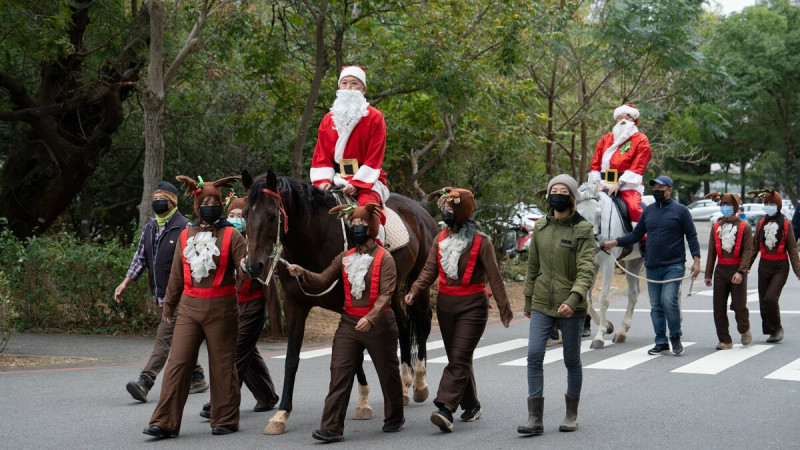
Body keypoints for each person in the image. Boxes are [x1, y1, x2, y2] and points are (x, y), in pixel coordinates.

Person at [286, 203, 404, 443]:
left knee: (388, 373)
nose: (356, 228)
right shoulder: (345, 257)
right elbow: (321, 280)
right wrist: (302, 273)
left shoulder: (385, 258)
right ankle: (331, 428)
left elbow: (386, 295)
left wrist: (370, 319)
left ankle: (395, 417)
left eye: (362, 224)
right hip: (349, 323)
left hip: (379, 324)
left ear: (371, 227)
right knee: (339, 373)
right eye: (353, 224)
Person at [143, 175, 246, 438]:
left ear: (220, 204)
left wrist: (251, 265)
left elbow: (245, 272)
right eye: (205, 201)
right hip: (188, 308)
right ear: (197, 206)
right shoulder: (185, 235)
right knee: (178, 363)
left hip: (222, 308)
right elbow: (177, 275)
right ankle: (164, 421)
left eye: (214, 201)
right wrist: (169, 306)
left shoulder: (232, 235)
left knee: (222, 365)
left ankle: (224, 417)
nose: (210, 205)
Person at [404, 187, 513, 433]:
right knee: (459, 358)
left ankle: (445, 408)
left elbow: (495, 278)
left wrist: (505, 311)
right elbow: (430, 269)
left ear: (463, 211)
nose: (445, 213)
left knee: (460, 357)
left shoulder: (481, 241)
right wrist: (414, 290)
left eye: (451, 209)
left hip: (473, 306)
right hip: (445, 306)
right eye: (444, 208)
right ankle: (472, 405)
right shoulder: (440, 239)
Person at [115, 181, 208, 401]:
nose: (157, 202)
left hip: (180, 296)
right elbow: (140, 258)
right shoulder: (149, 226)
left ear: (173, 201)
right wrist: (125, 283)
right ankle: (197, 377)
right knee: (177, 338)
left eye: (161, 199)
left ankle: (145, 381)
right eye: (154, 199)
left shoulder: (184, 226)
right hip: (159, 294)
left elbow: (195, 263)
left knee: (164, 337)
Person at [517, 174, 594, 436]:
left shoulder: (583, 229)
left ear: (572, 198)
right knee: (534, 355)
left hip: (571, 304)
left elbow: (586, 270)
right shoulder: (540, 227)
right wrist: (528, 299)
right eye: (554, 190)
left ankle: (571, 414)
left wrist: (574, 300)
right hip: (541, 301)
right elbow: (533, 267)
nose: (557, 195)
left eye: (563, 191)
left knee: (571, 360)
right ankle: (534, 419)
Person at [600, 175, 701, 355]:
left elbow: (692, 236)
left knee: (668, 301)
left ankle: (675, 336)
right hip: (653, 265)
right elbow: (636, 235)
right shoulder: (649, 211)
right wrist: (615, 242)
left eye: (661, 188)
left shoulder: (681, 211)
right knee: (655, 306)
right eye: (655, 188)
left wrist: (697, 260)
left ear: (669, 189)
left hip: (674, 265)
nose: (657, 191)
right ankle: (661, 340)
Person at [198, 194, 279, 419]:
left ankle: (221, 402)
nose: (235, 219)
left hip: (252, 304)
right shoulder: (222, 238)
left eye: (239, 216)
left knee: (234, 353)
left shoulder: (256, 242)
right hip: (229, 306)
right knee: (248, 354)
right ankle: (267, 395)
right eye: (231, 215)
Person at [309, 65, 388, 243]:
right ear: (339, 88)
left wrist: (357, 183)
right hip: (335, 178)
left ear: (363, 89)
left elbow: (375, 157)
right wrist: (323, 181)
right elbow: (321, 155)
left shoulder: (375, 117)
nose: (348, 88)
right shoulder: (328, 119)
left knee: (366, 212)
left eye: (354, 83)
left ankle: (376, 252)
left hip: (367, 180)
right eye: (344, 83)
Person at [703, 192, 755, 350]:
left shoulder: (744, 227)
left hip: (737, 270)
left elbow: (748, 252)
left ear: (735, 207)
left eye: (728, 205)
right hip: (720, 270)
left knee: (739, 306)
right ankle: (725, 340)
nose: (725, 208)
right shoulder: (716, 226)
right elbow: (712, 251)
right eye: (723, 205)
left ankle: (744, 329)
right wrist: (708, 274)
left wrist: (741, 271)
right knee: (718, 307)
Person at [747, 189, 800, 343]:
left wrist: (798, 271)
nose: (768, 206)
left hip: (780, 267)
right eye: (766, 203)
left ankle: (777, 327)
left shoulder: (786, 224)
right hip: (764, 266)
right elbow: (754, 247)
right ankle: (771, 330)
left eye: (772, 203)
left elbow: (793, 250)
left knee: (771, 298)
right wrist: (744, 268)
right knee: (763, 301)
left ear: (778, 205)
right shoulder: (761, 223)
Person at [588, 104, 652, 223]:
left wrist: (619, 184)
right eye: (619, 118)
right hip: (602, 185)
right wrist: (597, 183)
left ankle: (645, 238)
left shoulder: (641, 139)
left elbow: (638, 166)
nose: (623, 120)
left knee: (633, 208)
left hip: (627, 186)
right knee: (584, 205)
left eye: (627, 117)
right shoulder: (606, 139)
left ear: (634, 120)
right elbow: (595, 163)